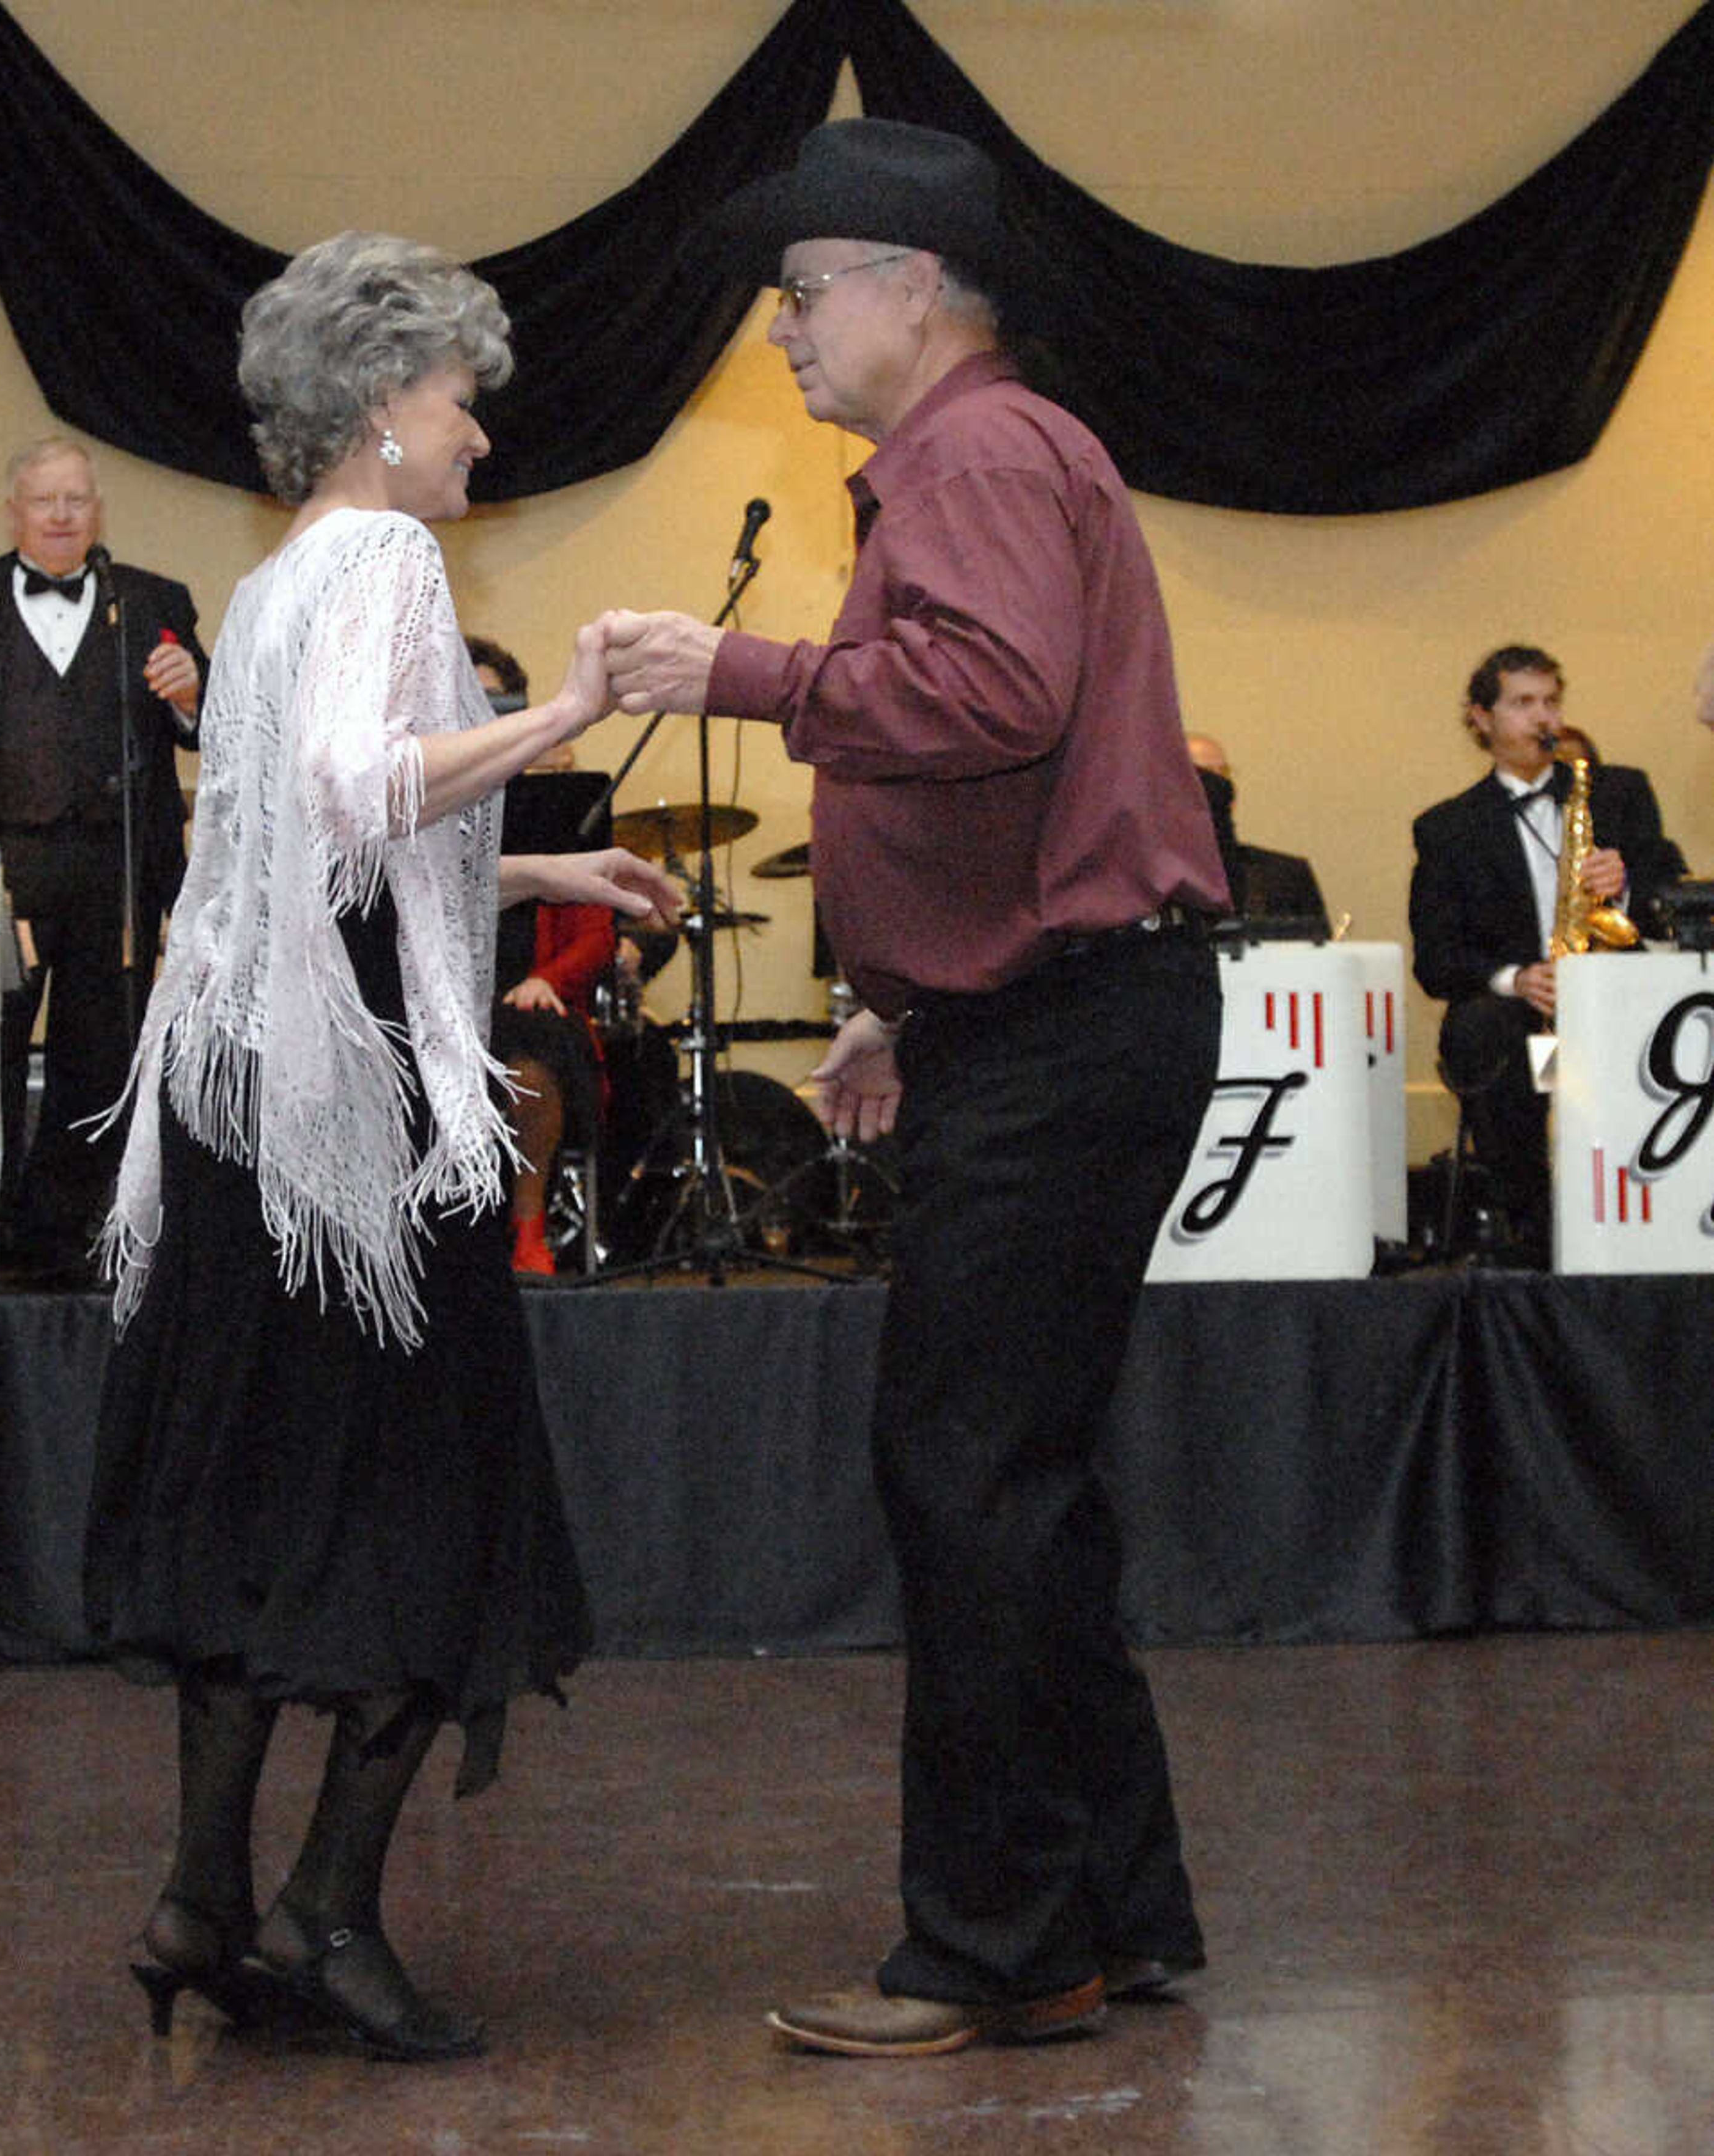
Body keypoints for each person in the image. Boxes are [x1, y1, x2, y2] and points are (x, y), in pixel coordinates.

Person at [598, 118, 1229, 2056]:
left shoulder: (969, 451)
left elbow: (988, 696)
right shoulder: (996, 453)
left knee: (963, 1476)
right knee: (1017, 1489)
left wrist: (740, 671)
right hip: (1043, 1013)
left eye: (798, 295)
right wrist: (908, 999)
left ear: (907, 286)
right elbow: (1020, 749)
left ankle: (994, 1947)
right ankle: (1102, 1908)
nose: (777, 332)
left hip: (1062, 1032)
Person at [84, 233, 679, 2062]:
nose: (476, 438)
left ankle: (200, 1895)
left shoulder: (271, 585)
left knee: (265, 1495)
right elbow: (358, 793)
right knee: (435, 1504)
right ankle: (326, 1912)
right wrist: (569, 718)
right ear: (373, 407)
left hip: (239, 1097)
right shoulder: (390, 557)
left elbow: (299, 855)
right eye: (457, 400)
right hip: (350, 1113)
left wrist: (539, 864)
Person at [0, 436, 208, 1283]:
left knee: (99, 1063)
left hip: (115, 871)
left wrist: (194, 694)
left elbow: (217, 719)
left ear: (98, 510)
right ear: (14, 510)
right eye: (44, 501)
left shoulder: (152, 600)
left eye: (78, 501)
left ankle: (61, 1246)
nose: (62, 516)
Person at [1410, 644, 1688, 1261]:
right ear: (1480, 718)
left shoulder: (1619, 794)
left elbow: (1677, 895)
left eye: (1552, 702)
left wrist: (1630, 883)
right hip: (1522, 1019)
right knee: (1480, 1028)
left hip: (1616, 999)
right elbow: (1436, 961)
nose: (1544, 720)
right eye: (1523, 703)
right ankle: (1530, 1222)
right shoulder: (1447, 828)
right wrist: (1515, 980)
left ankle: (1655, 1213)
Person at [471, 634, 617, 1272]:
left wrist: (547, 979)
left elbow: (596, 937)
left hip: (529, 997)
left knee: (529, 1061)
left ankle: (527, 1233)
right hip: (447, 999)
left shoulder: (552, 803)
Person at [1185, 731, 1329, 934]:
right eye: (1206, 776)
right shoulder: (1145, 881)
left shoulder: (1287, 875)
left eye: (1224, 773)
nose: (1223, 786)